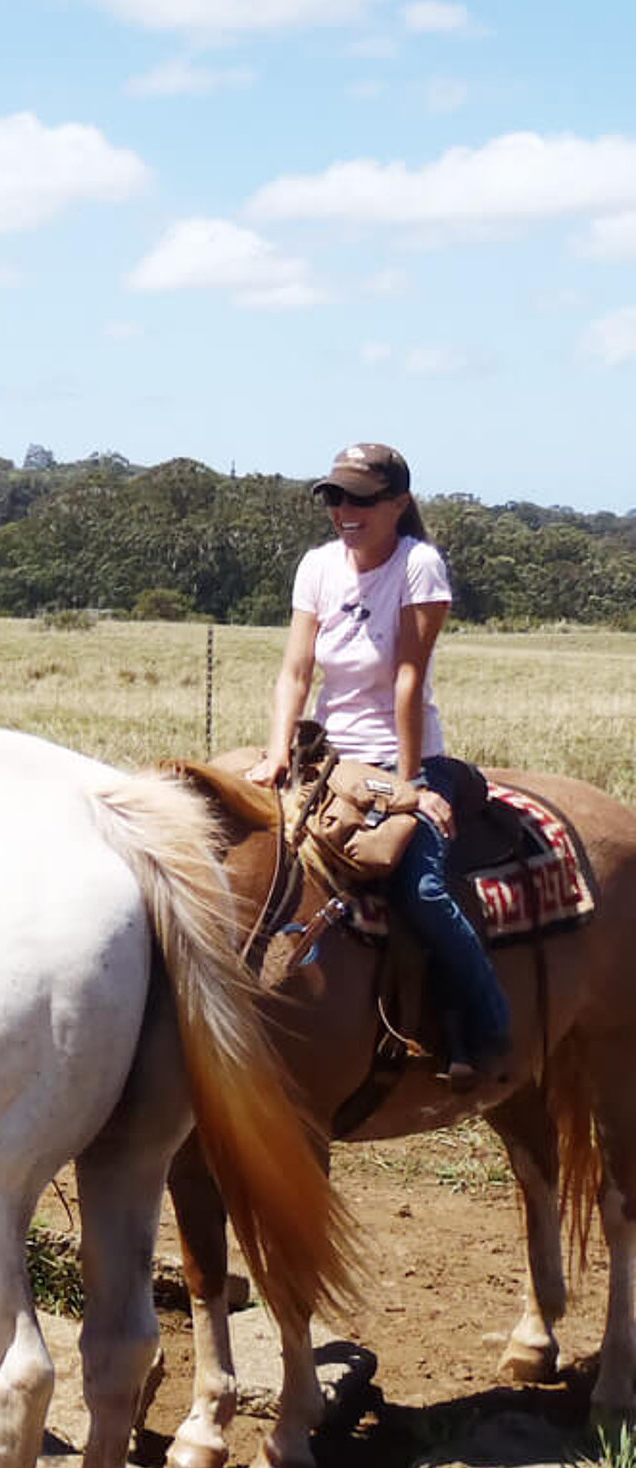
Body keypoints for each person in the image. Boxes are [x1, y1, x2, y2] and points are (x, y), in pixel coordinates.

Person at [247, 442, 511, 1091]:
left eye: (361, 498)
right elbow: (296, 670)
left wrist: (411, 788)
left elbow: (407, 679)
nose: (345, 510)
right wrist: (279, 752)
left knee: (419, 887)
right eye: (335, 497)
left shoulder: (419, 566)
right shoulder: (317, 567)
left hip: (405, 754)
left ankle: (489, 1024)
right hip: (330, 756)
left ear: (398, 504)